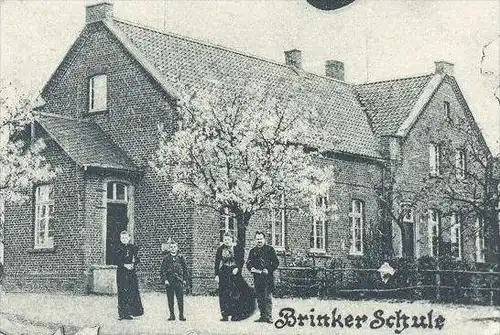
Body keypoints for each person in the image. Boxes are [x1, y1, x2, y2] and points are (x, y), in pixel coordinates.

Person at [214, 232, 255, 321]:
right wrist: (216, 275)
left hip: (234, 272)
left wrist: (238, 269)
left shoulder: (237, 249)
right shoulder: (220, 249)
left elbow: (241, 260)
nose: (227, 241)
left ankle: (235, 314)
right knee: (223, 293)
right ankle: (224, 314)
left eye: (228, 239)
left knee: (235, 294)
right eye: (225, 240)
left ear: (232, 240)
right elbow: (217, 262)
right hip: (224, 272)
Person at [246, 231, 279, 323]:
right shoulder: (252, 251)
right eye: (257, 239)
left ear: (264, 239)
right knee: (259, 297)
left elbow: (276, 263)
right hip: (257, 278)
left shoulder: (270, 250)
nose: (259, 241)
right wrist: (251, 268)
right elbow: (248, 262)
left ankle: (269, 316)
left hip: (267, 278)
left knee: (267, 297)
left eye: (261, 239)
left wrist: (268, 269)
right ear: (255, 240)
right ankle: (262, 316)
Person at [114, 231, 144, 320]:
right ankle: (123, 313)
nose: (124, 239)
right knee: (123, 292)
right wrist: (124, 265)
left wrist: (133, 264)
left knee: (132, 291)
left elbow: (137, 259)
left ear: (129, 238)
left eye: (126, 238)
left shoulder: (133, 247)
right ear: (120, 239)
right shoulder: (117, 248)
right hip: (122, 273)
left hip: (131, 273)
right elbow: (115, 260)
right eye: (122, 238)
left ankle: (133, 311)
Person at [160, 239, 188, 321]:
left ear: (177, 248)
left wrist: (185, 279)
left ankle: (181, 315)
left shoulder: (181, 258)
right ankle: (172, 315)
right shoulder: (166, 259)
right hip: (170, 281)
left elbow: (185, 269)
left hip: (179, 280)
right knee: (170, 299)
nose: (173, 248)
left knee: (180, 298)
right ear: (169, 248)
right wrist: (165, 280)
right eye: (171, 247)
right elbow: (163, 271)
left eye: (174, 247)